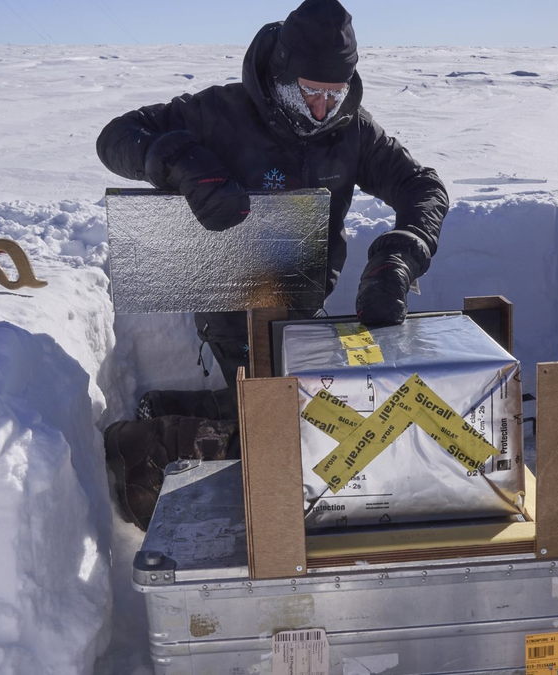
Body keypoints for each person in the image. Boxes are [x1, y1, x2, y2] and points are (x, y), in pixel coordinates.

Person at [97, 0, 448, 528]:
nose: (323, 108)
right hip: (225, 294)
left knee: (308, 411)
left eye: (335, 93)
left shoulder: (351, 130)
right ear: (282, 71)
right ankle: (140, 451)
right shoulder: (219, 111)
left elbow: (424, 187)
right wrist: (181, 162)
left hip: (302, 297)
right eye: (311, 92)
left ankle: (180, 408)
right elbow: (116, 137)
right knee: (285, 430)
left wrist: (402, 252)